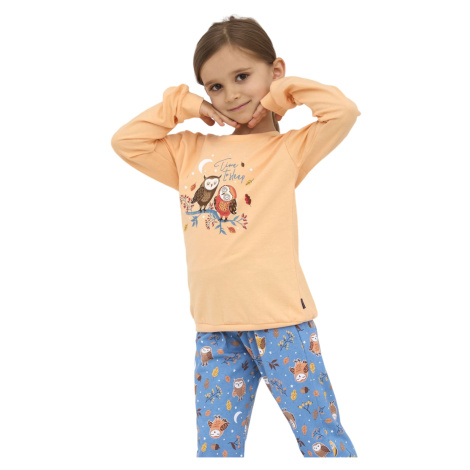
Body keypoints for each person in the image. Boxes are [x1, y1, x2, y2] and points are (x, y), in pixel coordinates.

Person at [111, 15, 361, 458]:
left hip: (283, 324)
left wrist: (281, 94)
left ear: (274, 70)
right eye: (215, 86)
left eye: (242, 77)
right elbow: (126, 142)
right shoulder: (188, 151)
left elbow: (342, 111)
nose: (231, 94)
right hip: (215, 329)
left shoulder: (288, 150)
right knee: (216, 450)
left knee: (322, 442)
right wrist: (184, 105)